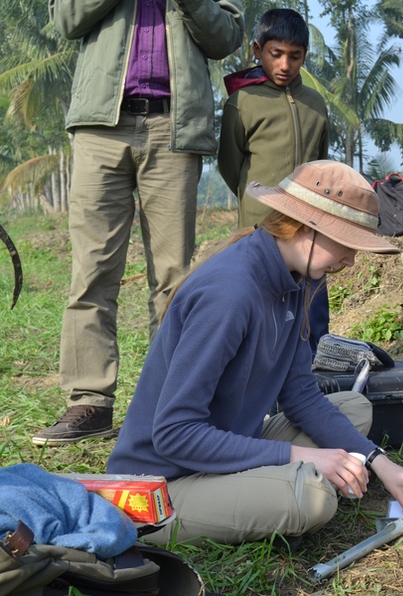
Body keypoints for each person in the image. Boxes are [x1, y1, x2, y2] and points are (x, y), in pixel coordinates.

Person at [106, 161, 403, 545]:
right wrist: (301, 457)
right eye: (348, 244)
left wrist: (382, 464)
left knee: (354, 406)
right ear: (307, 227)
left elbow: (300, 394)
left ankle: (273, 487)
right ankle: (278, 491)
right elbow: (174, 434)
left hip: (226, 443)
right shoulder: (229, 294)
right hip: (161, 486)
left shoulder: (295, 279)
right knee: (313, 498)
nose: (351, 260)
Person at [33, 0, 245, 446]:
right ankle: (89, 402)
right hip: (100, 128)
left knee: (174, 279)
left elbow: (226, 37)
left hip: (174, 127)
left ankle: (166, 404)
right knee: (91, 271)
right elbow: (66, 19)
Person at [218, 8, 330, 352]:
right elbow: (230, 165)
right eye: (275, 54)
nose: (285, 65)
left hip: (309, 227)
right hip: (259, 228)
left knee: (311, 312)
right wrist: (257, 202)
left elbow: (321, 161)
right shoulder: (243, 103)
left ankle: (312, 384)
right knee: (260, 311)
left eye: (295, 56)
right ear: (257, 50)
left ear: (304, 56)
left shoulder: (316, 105)